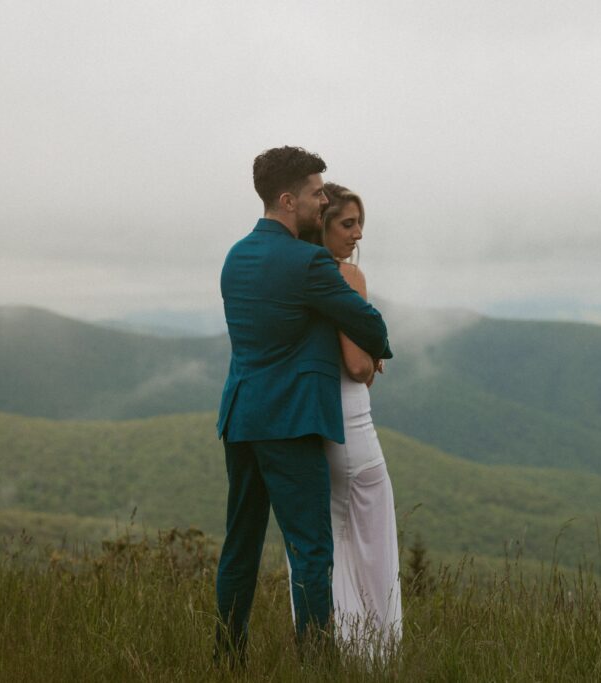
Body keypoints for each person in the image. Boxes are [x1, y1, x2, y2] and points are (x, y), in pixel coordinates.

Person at [214, 147, 392, 665]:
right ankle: (317, 666)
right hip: (291, 423)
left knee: (239, 547)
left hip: (241, 416)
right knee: (311, 550)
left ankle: (228, 659)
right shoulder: (311, 263)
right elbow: (371, 331)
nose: (322, 200)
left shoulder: (235, 256)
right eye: (316, 193)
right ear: (288, 200)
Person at [293, 183, 402, 658]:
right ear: (323, 223)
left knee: (328, 545)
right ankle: (375, 653)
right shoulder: (347, 277)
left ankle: (330, 646)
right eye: (347, 223)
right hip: (355, 431)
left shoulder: (292, 275)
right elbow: (358, 368)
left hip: (311, 427)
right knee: (374, 549)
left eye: (360, 225)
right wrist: (377, 354)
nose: (357, 235)